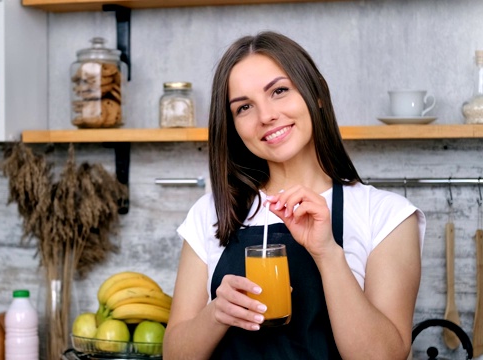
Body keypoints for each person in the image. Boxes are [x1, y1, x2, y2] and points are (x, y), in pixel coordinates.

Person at [162, 31, 425, 359]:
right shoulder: (212, 212)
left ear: (316, 93)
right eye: (244, 107)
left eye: (279, 91)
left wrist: (327, 253)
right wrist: (215, 313)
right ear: (233, 126)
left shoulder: (385, 215)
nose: (266, 116)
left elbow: (384, 356)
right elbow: (174, 354)